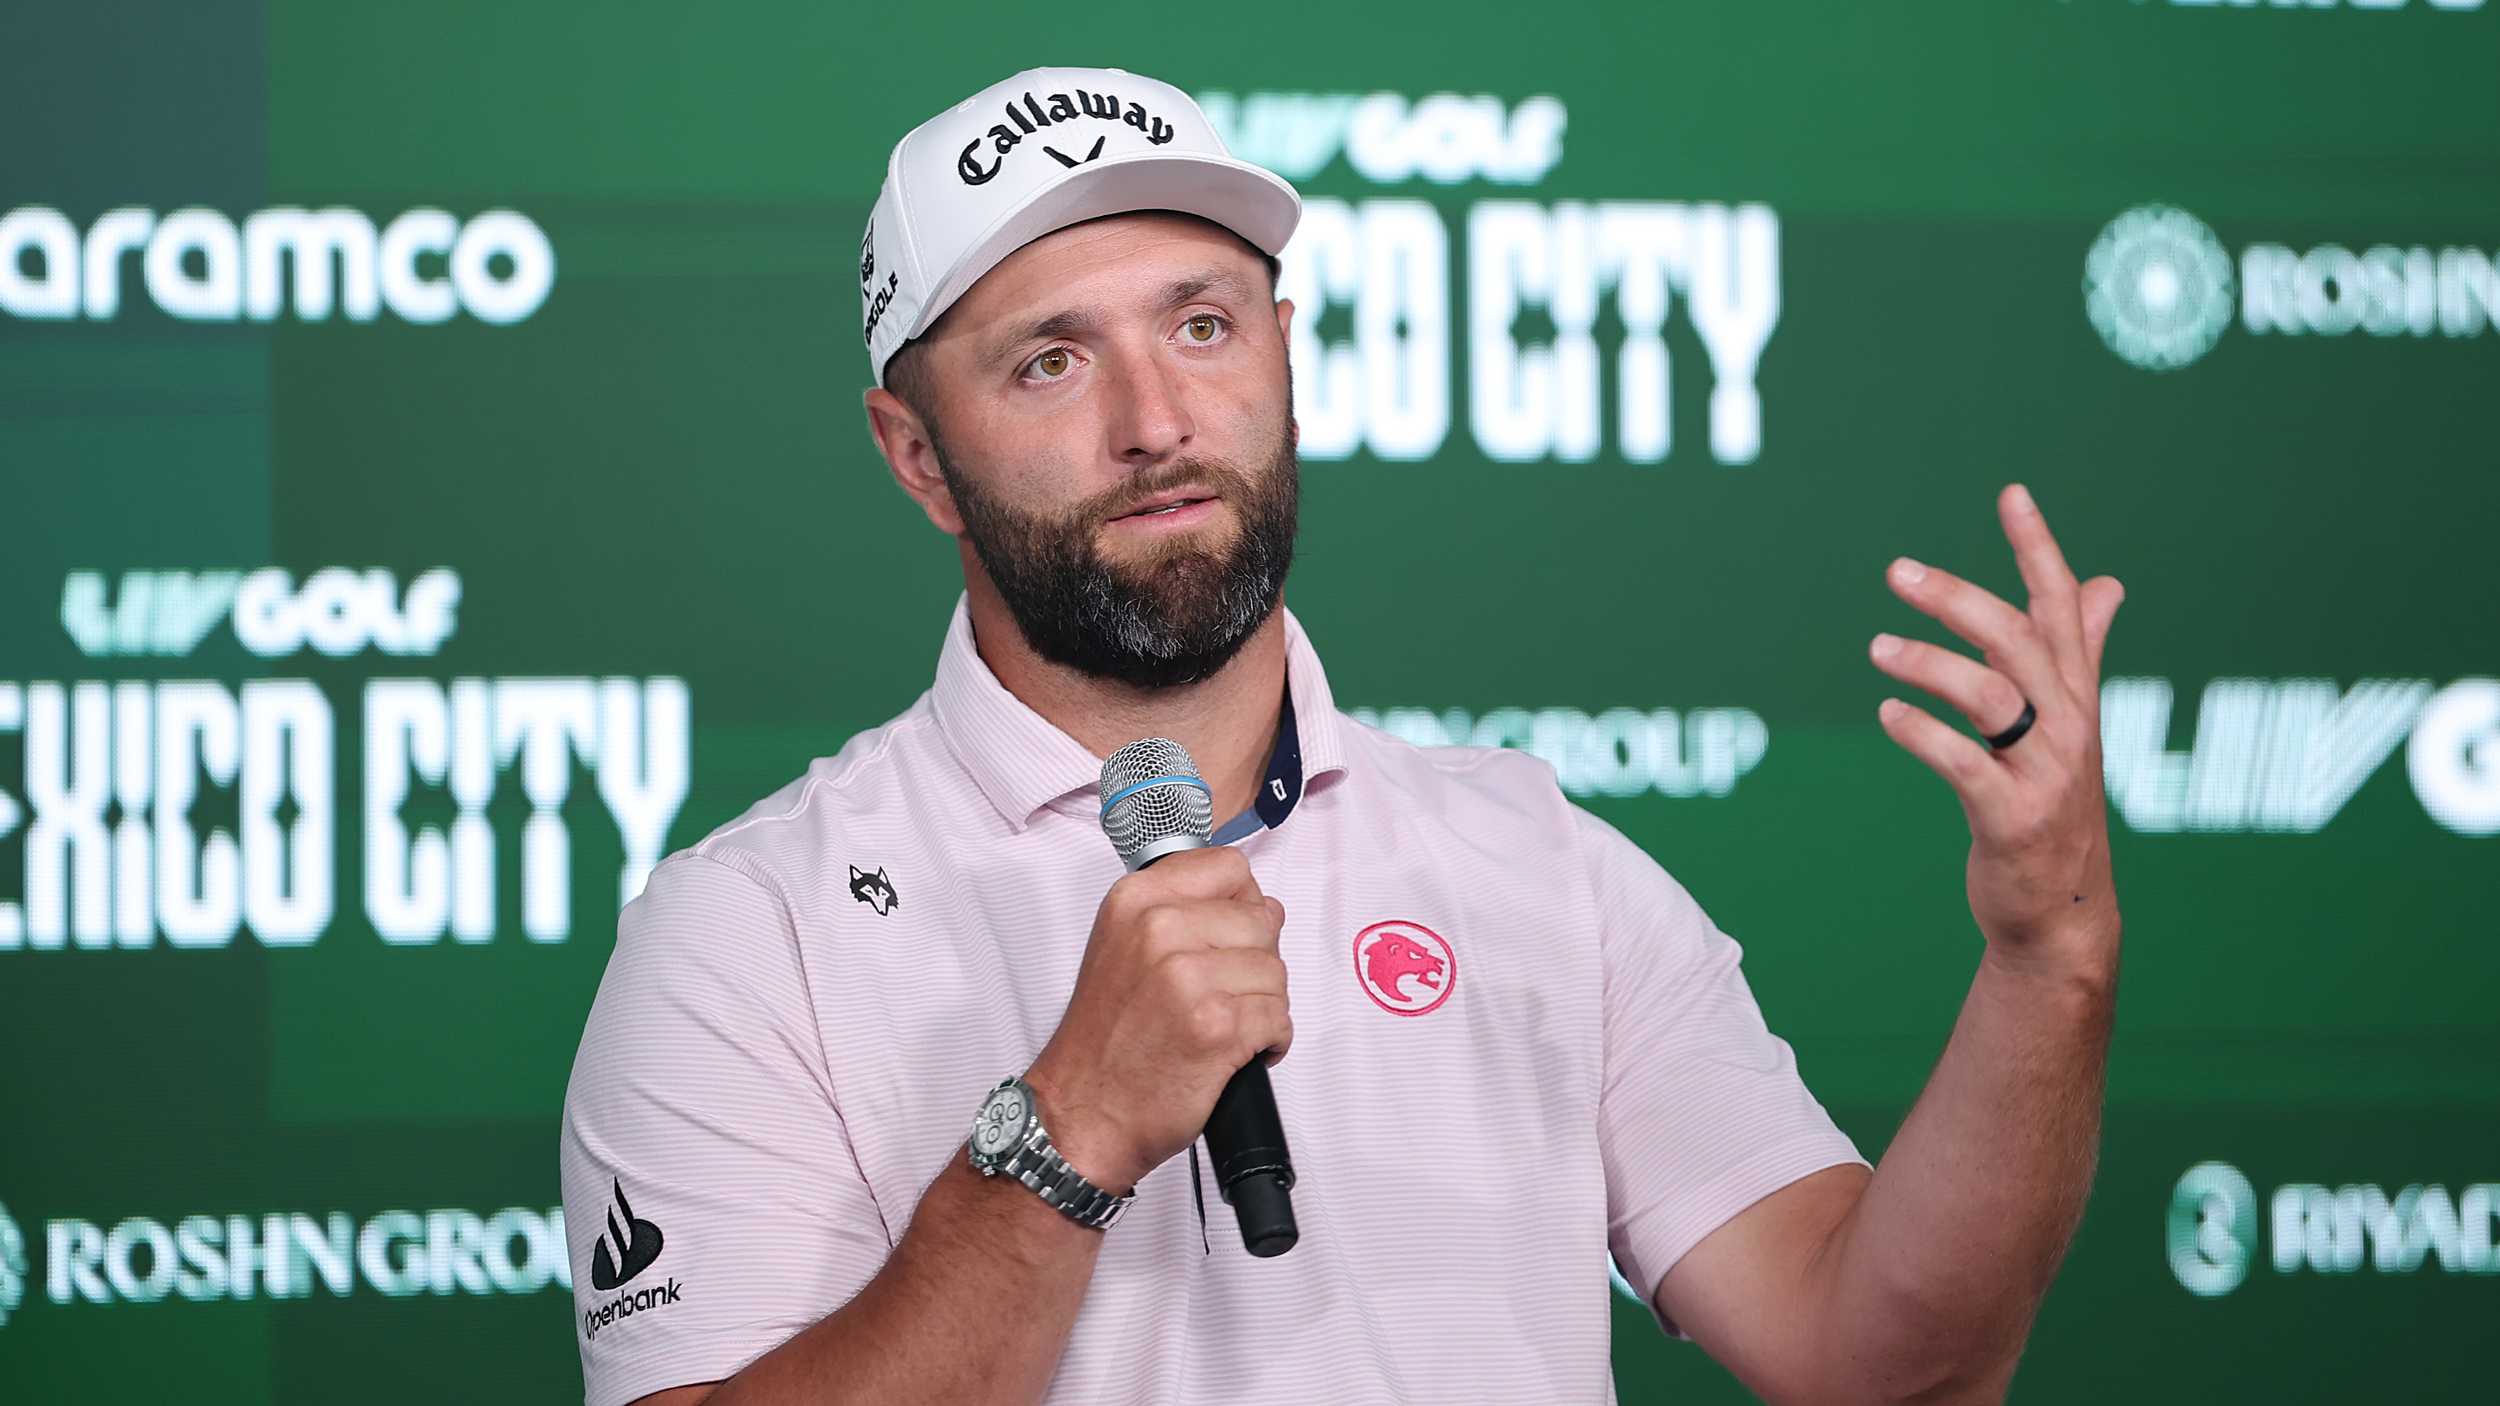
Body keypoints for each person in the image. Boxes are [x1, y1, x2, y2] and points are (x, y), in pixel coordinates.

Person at [560, 66, 2126, 1406]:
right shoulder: (744, 935)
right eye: (1051, 359)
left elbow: (1894, 1361)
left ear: (1284, 349)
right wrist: (1069, 1127)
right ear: (916, 454)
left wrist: (2050, 956)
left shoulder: (1541, 868)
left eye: (1200, 325)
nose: (1155, 419)